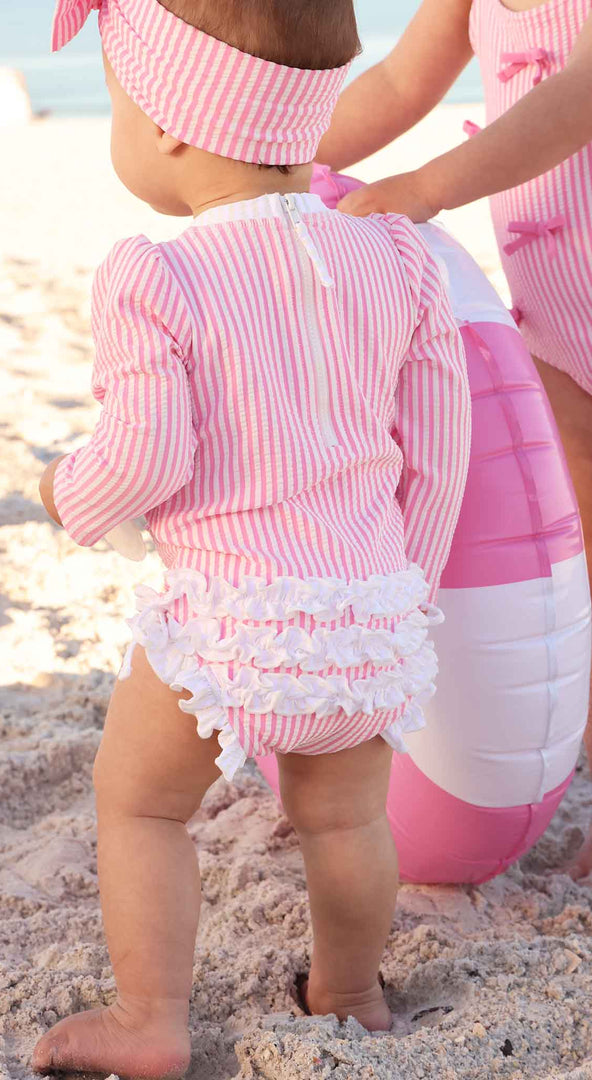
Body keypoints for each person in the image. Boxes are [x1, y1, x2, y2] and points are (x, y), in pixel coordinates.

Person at [33, 0, 471, 1074]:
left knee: (140, 807)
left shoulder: (156, 273)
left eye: (120, 102)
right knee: (345, 825)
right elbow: (442, 445)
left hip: (233, 623)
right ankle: (351, 992)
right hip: (368, 620)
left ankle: (151, 1021)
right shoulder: (399, 260)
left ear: (175, 125)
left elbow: (143, 458)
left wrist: (68, 494)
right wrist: (395, 587)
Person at [316, 0, 592, 880]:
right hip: (556, 309)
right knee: (584, 543)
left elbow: (579, 93)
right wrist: (272, 143)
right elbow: (401, 80)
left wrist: (426, 189)